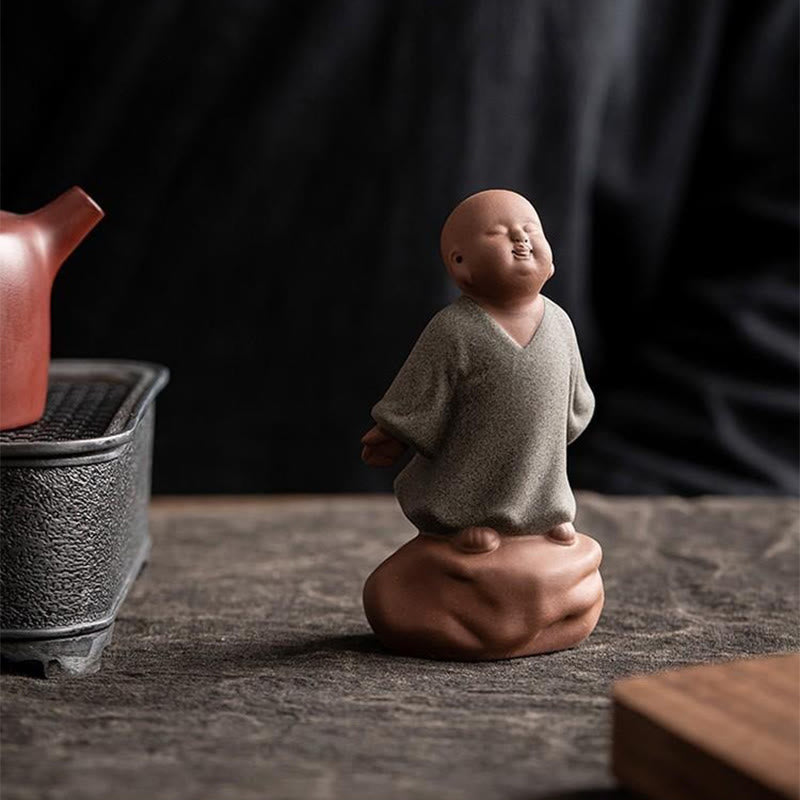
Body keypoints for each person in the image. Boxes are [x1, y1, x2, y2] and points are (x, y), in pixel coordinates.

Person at [360, 190, 604, 660]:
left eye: (531, 230)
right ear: (460, 264)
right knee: (477, 476)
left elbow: (576, 391)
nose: (522, 240)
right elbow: (421, 389)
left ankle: (545, 519)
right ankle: (471, 524)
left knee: (541, 472)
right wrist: (392, 432)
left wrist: (568, 417)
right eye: (501, 234)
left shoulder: (559, 321)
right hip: (474, 459)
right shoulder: (455, 330)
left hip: (539, 450)